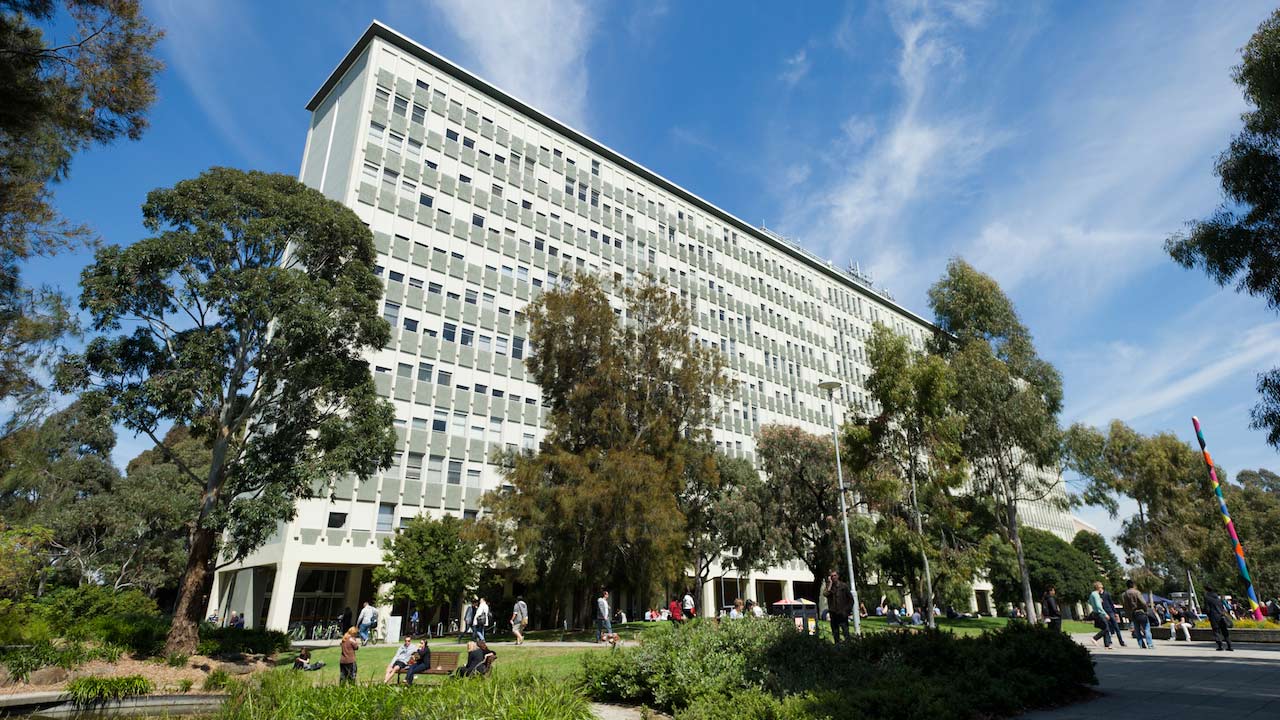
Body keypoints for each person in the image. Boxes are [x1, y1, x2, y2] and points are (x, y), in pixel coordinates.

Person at [823, 570, 855, 643]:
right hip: (833, 613)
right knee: (835, 632)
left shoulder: (844, 586)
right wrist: (830, 584)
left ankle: (848, 646)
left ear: (838, 576)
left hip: (842, 613)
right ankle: (837, 647)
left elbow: (851, 600)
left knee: (845, 632)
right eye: (832, 576)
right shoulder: (829, 587)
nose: (833, 577)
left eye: (834, 575)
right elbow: (825, 594)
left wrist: (846, 611)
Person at [1122, 579, 1154, 649]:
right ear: (1133, 585)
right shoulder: (1137, 592)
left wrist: (1128, 614)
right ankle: (1150, 644)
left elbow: (1125, 606)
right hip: (1141, 612)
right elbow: (1143, 602)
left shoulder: (1124, 594)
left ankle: (1141, 644)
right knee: (1146, 628)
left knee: (1137, 630)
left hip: (1133, 613)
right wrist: (1146, 610)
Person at [1204, 585, 1234, 651]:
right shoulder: (1218, 598)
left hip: (1214, 616)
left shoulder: (1207, 598)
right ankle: (1229, 645)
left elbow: (1207, 609)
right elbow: (1222, 608)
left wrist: (1208, 616)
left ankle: (1220, 645)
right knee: (1224, 630)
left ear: (1206, 590)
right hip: (1221, 615)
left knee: (1216, 630)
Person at [1087, 582, 1112, 649]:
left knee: (1105, 628)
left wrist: (1095, 603)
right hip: (1099, 613)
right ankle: (1095, 638)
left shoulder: (1092, 594)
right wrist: (1105, 614)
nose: (1102, 589)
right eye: (1101, 587)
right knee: (1106, 628)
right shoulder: (1096, 595)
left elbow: (1089, 602)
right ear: (1098, 587)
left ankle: (1107, 645)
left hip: (1095, 612)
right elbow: (1099, 607)